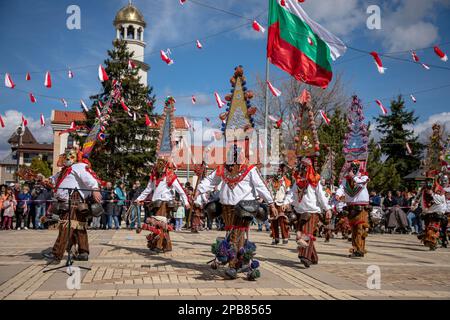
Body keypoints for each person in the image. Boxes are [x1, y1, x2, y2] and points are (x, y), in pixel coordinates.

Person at [43, 148, 102, 263]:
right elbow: (52, 181)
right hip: (66, 202)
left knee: (66, 227)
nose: (65, 158)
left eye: (68, 156)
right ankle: (83, 252)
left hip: (74, 201)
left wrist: (95, 189)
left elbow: (89, 178)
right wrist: (43, 180)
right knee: (79, 227)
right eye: (65, 156)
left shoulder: (78, 167)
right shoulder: (63, 171)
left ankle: (57, 255)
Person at [285, 158, 331, 268]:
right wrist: (286, 202)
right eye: (301, 166)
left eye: (304, 167)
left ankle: (305, 256)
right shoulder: (298, 181)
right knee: (300, 234)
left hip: (312, 211)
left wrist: (327, 208)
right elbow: (292, 194)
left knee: (305, 234)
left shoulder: (315, 180)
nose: (302, 169)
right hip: (300, 211)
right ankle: (313, 257)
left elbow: (321, 196)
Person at [135, 158, 190, 252]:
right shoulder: (154, 176)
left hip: (165, 203)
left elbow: (180, 190)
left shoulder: (170, 176)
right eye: (158, 166)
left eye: (161, 166)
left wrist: (186, 202)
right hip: (155, 204)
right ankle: (167, 246)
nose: (159, 168)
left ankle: (159, 245)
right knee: (161, 225)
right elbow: (148, 190)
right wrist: (139, 199)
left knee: (160, 224)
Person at [336, 160, 370, 258]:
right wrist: (338, 194)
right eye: (352, 167)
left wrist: (353, 176)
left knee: (360, 228)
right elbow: (341, 187)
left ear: (359, 168)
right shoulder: (346, 179)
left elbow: (360, 183)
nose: (353, 169)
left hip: (361, 205)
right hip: (351, 206)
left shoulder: (364, 177)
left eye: (355, 167)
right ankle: (356, 249)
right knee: (354, 228)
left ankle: (360, 249)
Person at [268, 164, 291, 245]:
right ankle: (275, 238)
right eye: (276, 171)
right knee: (273, 221)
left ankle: (285, 237)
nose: (278, 172)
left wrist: (286, 203)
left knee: (282, 221)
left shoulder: (286, 181)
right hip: (273, 203)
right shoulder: (271, 182)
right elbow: (268, 192)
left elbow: (288, 193)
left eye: (279, 171)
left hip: (282, 203)